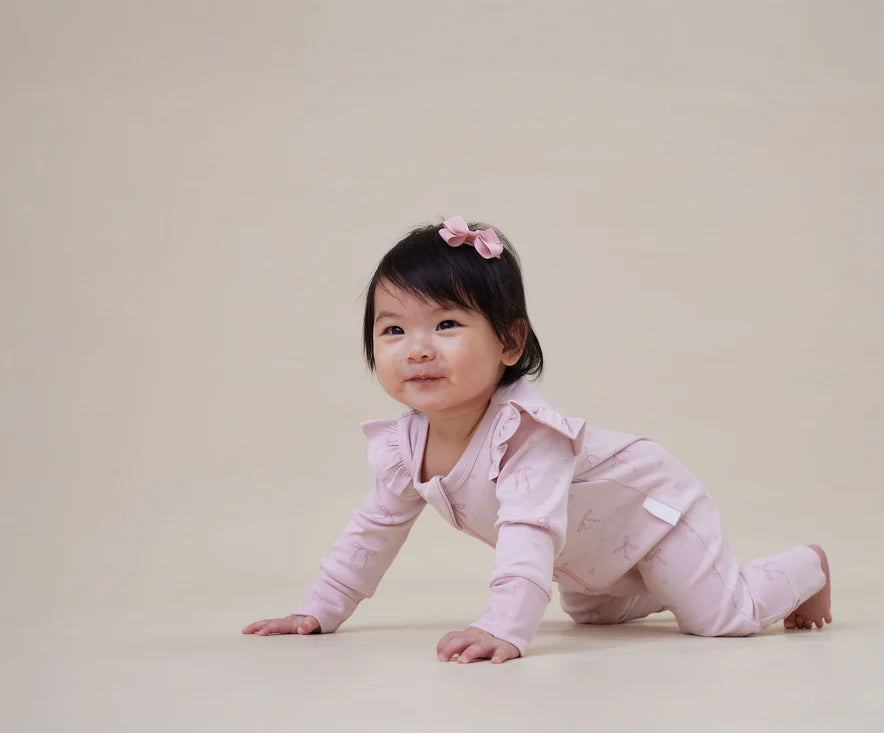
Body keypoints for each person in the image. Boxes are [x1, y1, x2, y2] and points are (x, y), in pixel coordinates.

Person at [242, 215, 832, 663]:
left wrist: (504, 626)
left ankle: (806, 567)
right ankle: (670, 582)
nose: (417, 348)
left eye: (446, 324)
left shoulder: (527, 434)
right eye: (393, 330)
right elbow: (371, 533)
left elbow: (528, 532)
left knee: (719, 618)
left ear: (510, 342)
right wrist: (316, 611)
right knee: (593, 615)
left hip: (657, 513)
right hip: (588, 560)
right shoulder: (406, 448)